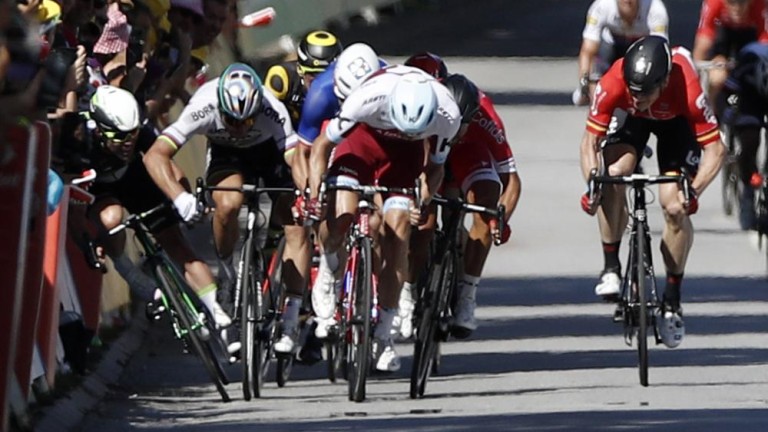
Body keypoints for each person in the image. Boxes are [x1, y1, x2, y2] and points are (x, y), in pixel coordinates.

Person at [143, 62, 311, 355]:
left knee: (295, 222)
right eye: (232, 121)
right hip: (227, 156)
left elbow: (295, 159)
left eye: (246, 121)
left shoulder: (272, 109)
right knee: (228, 203)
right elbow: (155, 155)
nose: (238, 128)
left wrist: (306, 194)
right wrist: (179, 196)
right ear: (220, 107)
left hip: (269, 152)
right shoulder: (203, 106)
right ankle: (227, 273)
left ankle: (291, 315)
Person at [306, 64, 460, 372]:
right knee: (342, 214)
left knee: (399, 231)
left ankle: (384, 333)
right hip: (362, 142)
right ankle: (328, 266)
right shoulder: (367, 98)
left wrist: (422, 199)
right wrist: (314, 193)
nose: (404, 131)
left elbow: (435, 168)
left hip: (406, 157)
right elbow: (322, 146)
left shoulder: (447, 114)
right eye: (403, 126)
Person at [579, 36, 725, 348]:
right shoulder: (615, 80)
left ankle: (672, 300)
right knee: (613, 176)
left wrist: (694, 190)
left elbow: (716, 150)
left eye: (644, 93)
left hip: (677, 126)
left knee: (674, 207)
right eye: (632, 92)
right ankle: (611, 267)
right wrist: (593, 182)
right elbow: (589, 142)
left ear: (664, 80)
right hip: (633, 125)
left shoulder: (687, 84)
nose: (637, 98)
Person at [76, 85, 232, 329]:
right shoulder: (79, 139)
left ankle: (216, 311)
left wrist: (185, 200)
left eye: (133, 134)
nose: (128, 142)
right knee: (111, 219)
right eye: (119, 137)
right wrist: (87, 240)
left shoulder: (141, 134)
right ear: (98, 130)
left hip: (135, 178)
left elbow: (169, 168)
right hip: (99, 190)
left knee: (177, 244)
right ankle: (127, 270)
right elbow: (71, 203)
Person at [395, 73, 521, 340]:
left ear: (473, 116)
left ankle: (466, 296)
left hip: (469, 154)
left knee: (485, 206)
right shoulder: (430, 106)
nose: (456, 126)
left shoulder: (486, 119)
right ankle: (407, 292)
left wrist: (502, 218)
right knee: (423, 223)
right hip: (430, 154)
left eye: (463, 123)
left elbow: (511, 179)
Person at [287, 42, 384, 338]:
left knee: (385, 216)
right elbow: (304, 153)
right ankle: (329, 268)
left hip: (377, 130)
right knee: (334, 208)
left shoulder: (385, 82)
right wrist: (310, 194)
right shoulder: (321, 92)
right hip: (334, 137)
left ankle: (380, 291)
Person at [574, 0, 668, 106]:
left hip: (641, 49)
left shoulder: (656, 9)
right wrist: (585, 81)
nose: (627, 1)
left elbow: (660, 51)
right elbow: (588, 51)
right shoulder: (601, 6)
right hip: (612, 45)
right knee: (598, 59)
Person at [720, 41, 768, 230]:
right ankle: (748, 191)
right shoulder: (746, 66)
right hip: (750, 100)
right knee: (749, 142)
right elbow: (726, 92)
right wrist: (728, 116)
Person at [693, 0, 768, 117]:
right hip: (722, 38)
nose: (737, 8)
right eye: (732, 2)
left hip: (750, 39)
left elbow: (764, 41)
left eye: (742, 2)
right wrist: (695, 75)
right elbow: (703, 41)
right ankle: (711, 116)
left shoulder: (760, 4)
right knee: (716, 77)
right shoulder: (714, 3)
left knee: (759, 75)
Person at [264, 29, 343, 128]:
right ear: (300, 70)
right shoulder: (282, 78)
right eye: (313, 75)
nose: (320, 82)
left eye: (326, 76)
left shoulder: (347, 83)